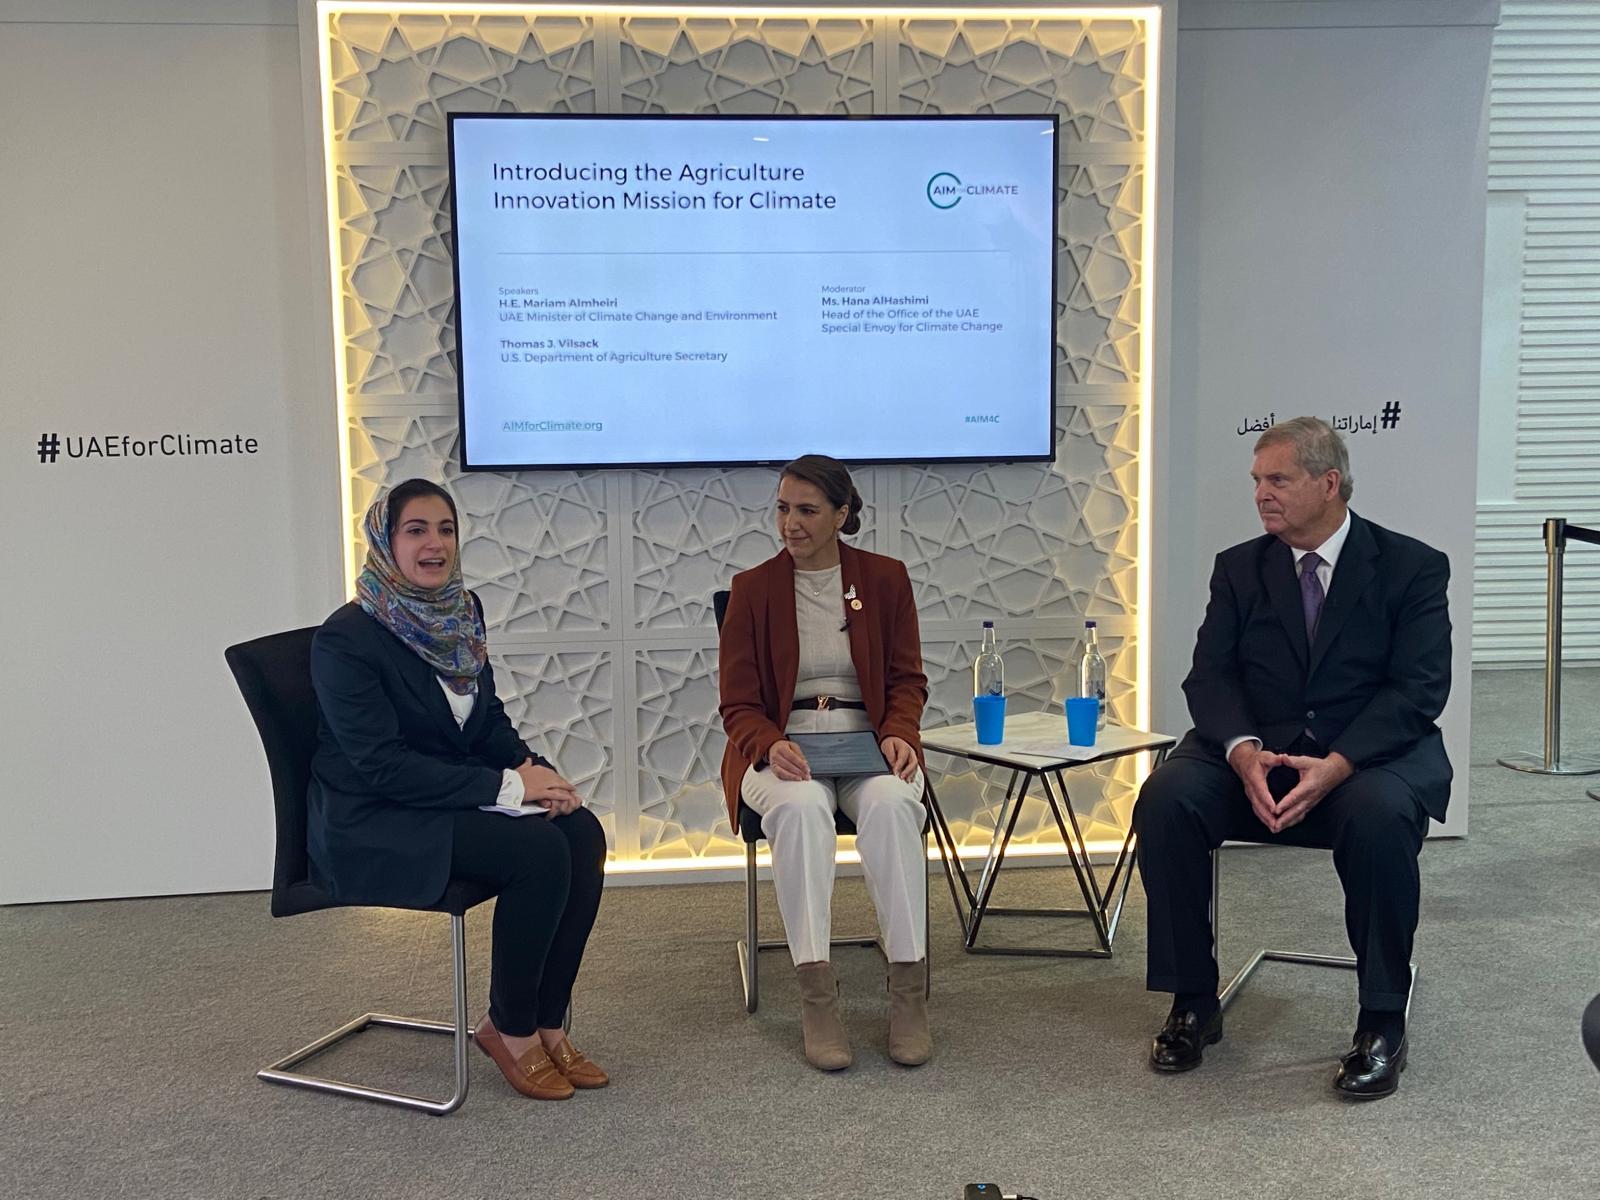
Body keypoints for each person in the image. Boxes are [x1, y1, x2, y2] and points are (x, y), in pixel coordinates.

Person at [1134, 416, 1451, 1100]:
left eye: (1277, 479)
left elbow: (1418, 690)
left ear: (1328, 483)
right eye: (1256, 480)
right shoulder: (1240, 567)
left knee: (1379, 816)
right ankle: (1193, 999)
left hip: (1365, 757)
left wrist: (1338, 763)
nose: (1261, 494)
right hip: (1261, 748)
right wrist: (1243, 750)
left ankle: (1381, 1021)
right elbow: (1209, 677)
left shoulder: (1411, 567)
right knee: (1166, 799)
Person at [308, 478, 608, 1102]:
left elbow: (485, 720)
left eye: (445, 529)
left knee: (580, 832)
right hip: (376, 819)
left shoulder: (458, 612)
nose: (434, 544)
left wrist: (535, 771)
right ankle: (511, 1030)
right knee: (536, 853)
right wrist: (507, 785)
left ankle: (548, 1021)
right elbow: (381, 767)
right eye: (416, 530)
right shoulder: (348, 639)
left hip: (442, 797)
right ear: (385, 541)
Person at [718, 454, 931, 1071]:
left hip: (867, 741)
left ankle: (908, 993)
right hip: (782, 749)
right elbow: (737, 701)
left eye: (807, 510)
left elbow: (906, 680)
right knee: (805, 811)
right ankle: (817, 997)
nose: (791, 523)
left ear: (842, 514)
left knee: (893, 805)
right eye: (783, 508)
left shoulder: (885, 579)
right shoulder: (752, 589)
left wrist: (899, 733)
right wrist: (768, 743)